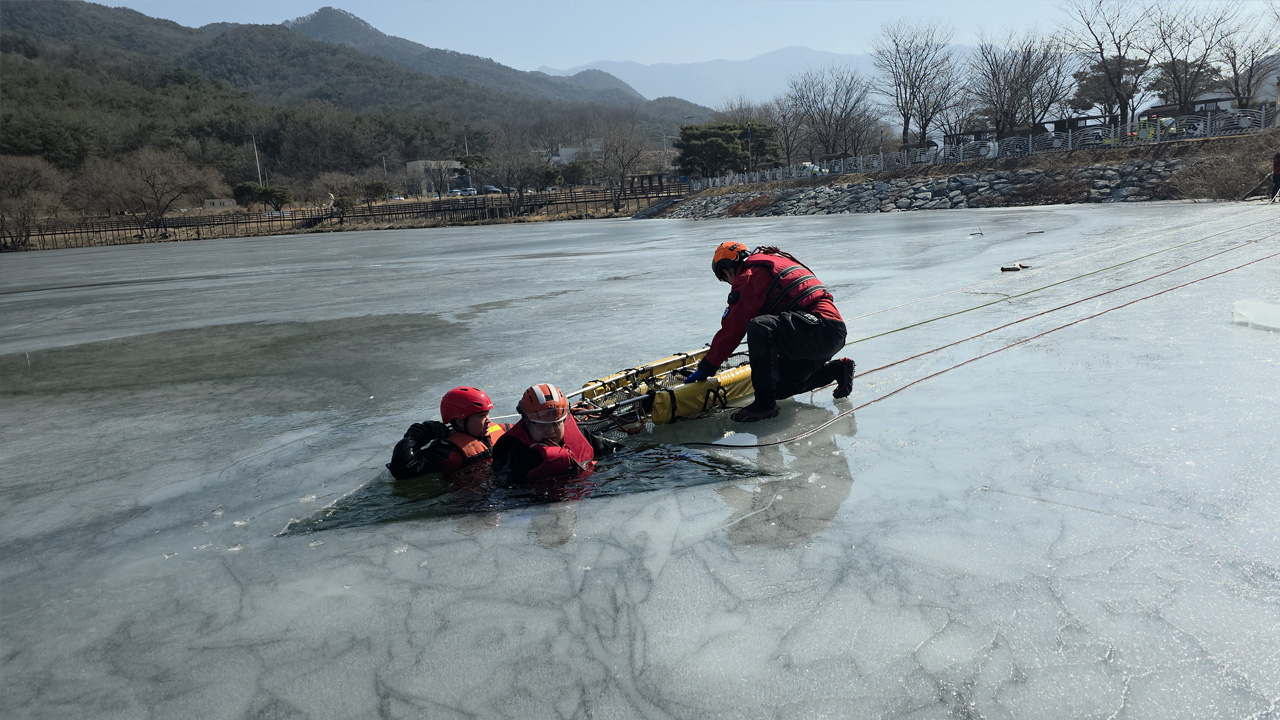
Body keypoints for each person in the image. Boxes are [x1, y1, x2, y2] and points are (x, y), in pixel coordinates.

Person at [685, 242, 854, 422]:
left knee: (759, 327)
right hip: (827, 333)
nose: (730, 284)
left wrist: (707, 367)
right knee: (779, 388)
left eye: (725, 279)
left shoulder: (750, 275)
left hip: (819, 330)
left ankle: (764, 405)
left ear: (726, 271)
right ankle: (837, 370)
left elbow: (733, 328)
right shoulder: (773, 261)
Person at [492, 383, 622, 487]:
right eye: (542, 425)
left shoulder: (581, 435)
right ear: (527, 421)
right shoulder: (511, 450)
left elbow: (615, 451)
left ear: (564, 421)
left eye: (556, 424)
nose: (550, 430)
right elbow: (503, 490)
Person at [386, 386, 507, 480]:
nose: (488, 420)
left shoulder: (501, 430)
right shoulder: (446, 452)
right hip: (475, 500)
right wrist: (415, 437)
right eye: (481, 416)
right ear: (460, 421)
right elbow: (404, 470)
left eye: (487, 414)